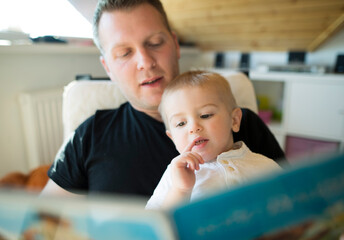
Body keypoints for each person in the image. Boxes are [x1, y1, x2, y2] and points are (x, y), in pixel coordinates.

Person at [41, 0, 285, 197]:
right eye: (125, 53)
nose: (145, 62)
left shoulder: (244, 124)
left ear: (175, 45)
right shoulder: (89, 136)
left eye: (155, 43)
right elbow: (40, 227)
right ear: (108, 67)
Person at [146, 71, 281, 209]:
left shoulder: (265, 167)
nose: (193, 128)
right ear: (173, 139)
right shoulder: (174, 175)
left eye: (205, 115)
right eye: (181, 124)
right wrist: (181, 190)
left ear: (234, 120)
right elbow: (155, 223)